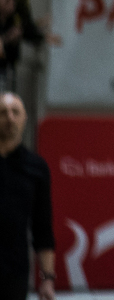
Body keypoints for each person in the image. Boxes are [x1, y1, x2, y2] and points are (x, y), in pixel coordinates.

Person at [0, 93, 53, 300]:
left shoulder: (36, 168)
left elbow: (42, 228)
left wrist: (47, 279)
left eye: (15, 112)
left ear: (24, 118)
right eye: (3, 113)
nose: (10, 118)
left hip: (15, 274)